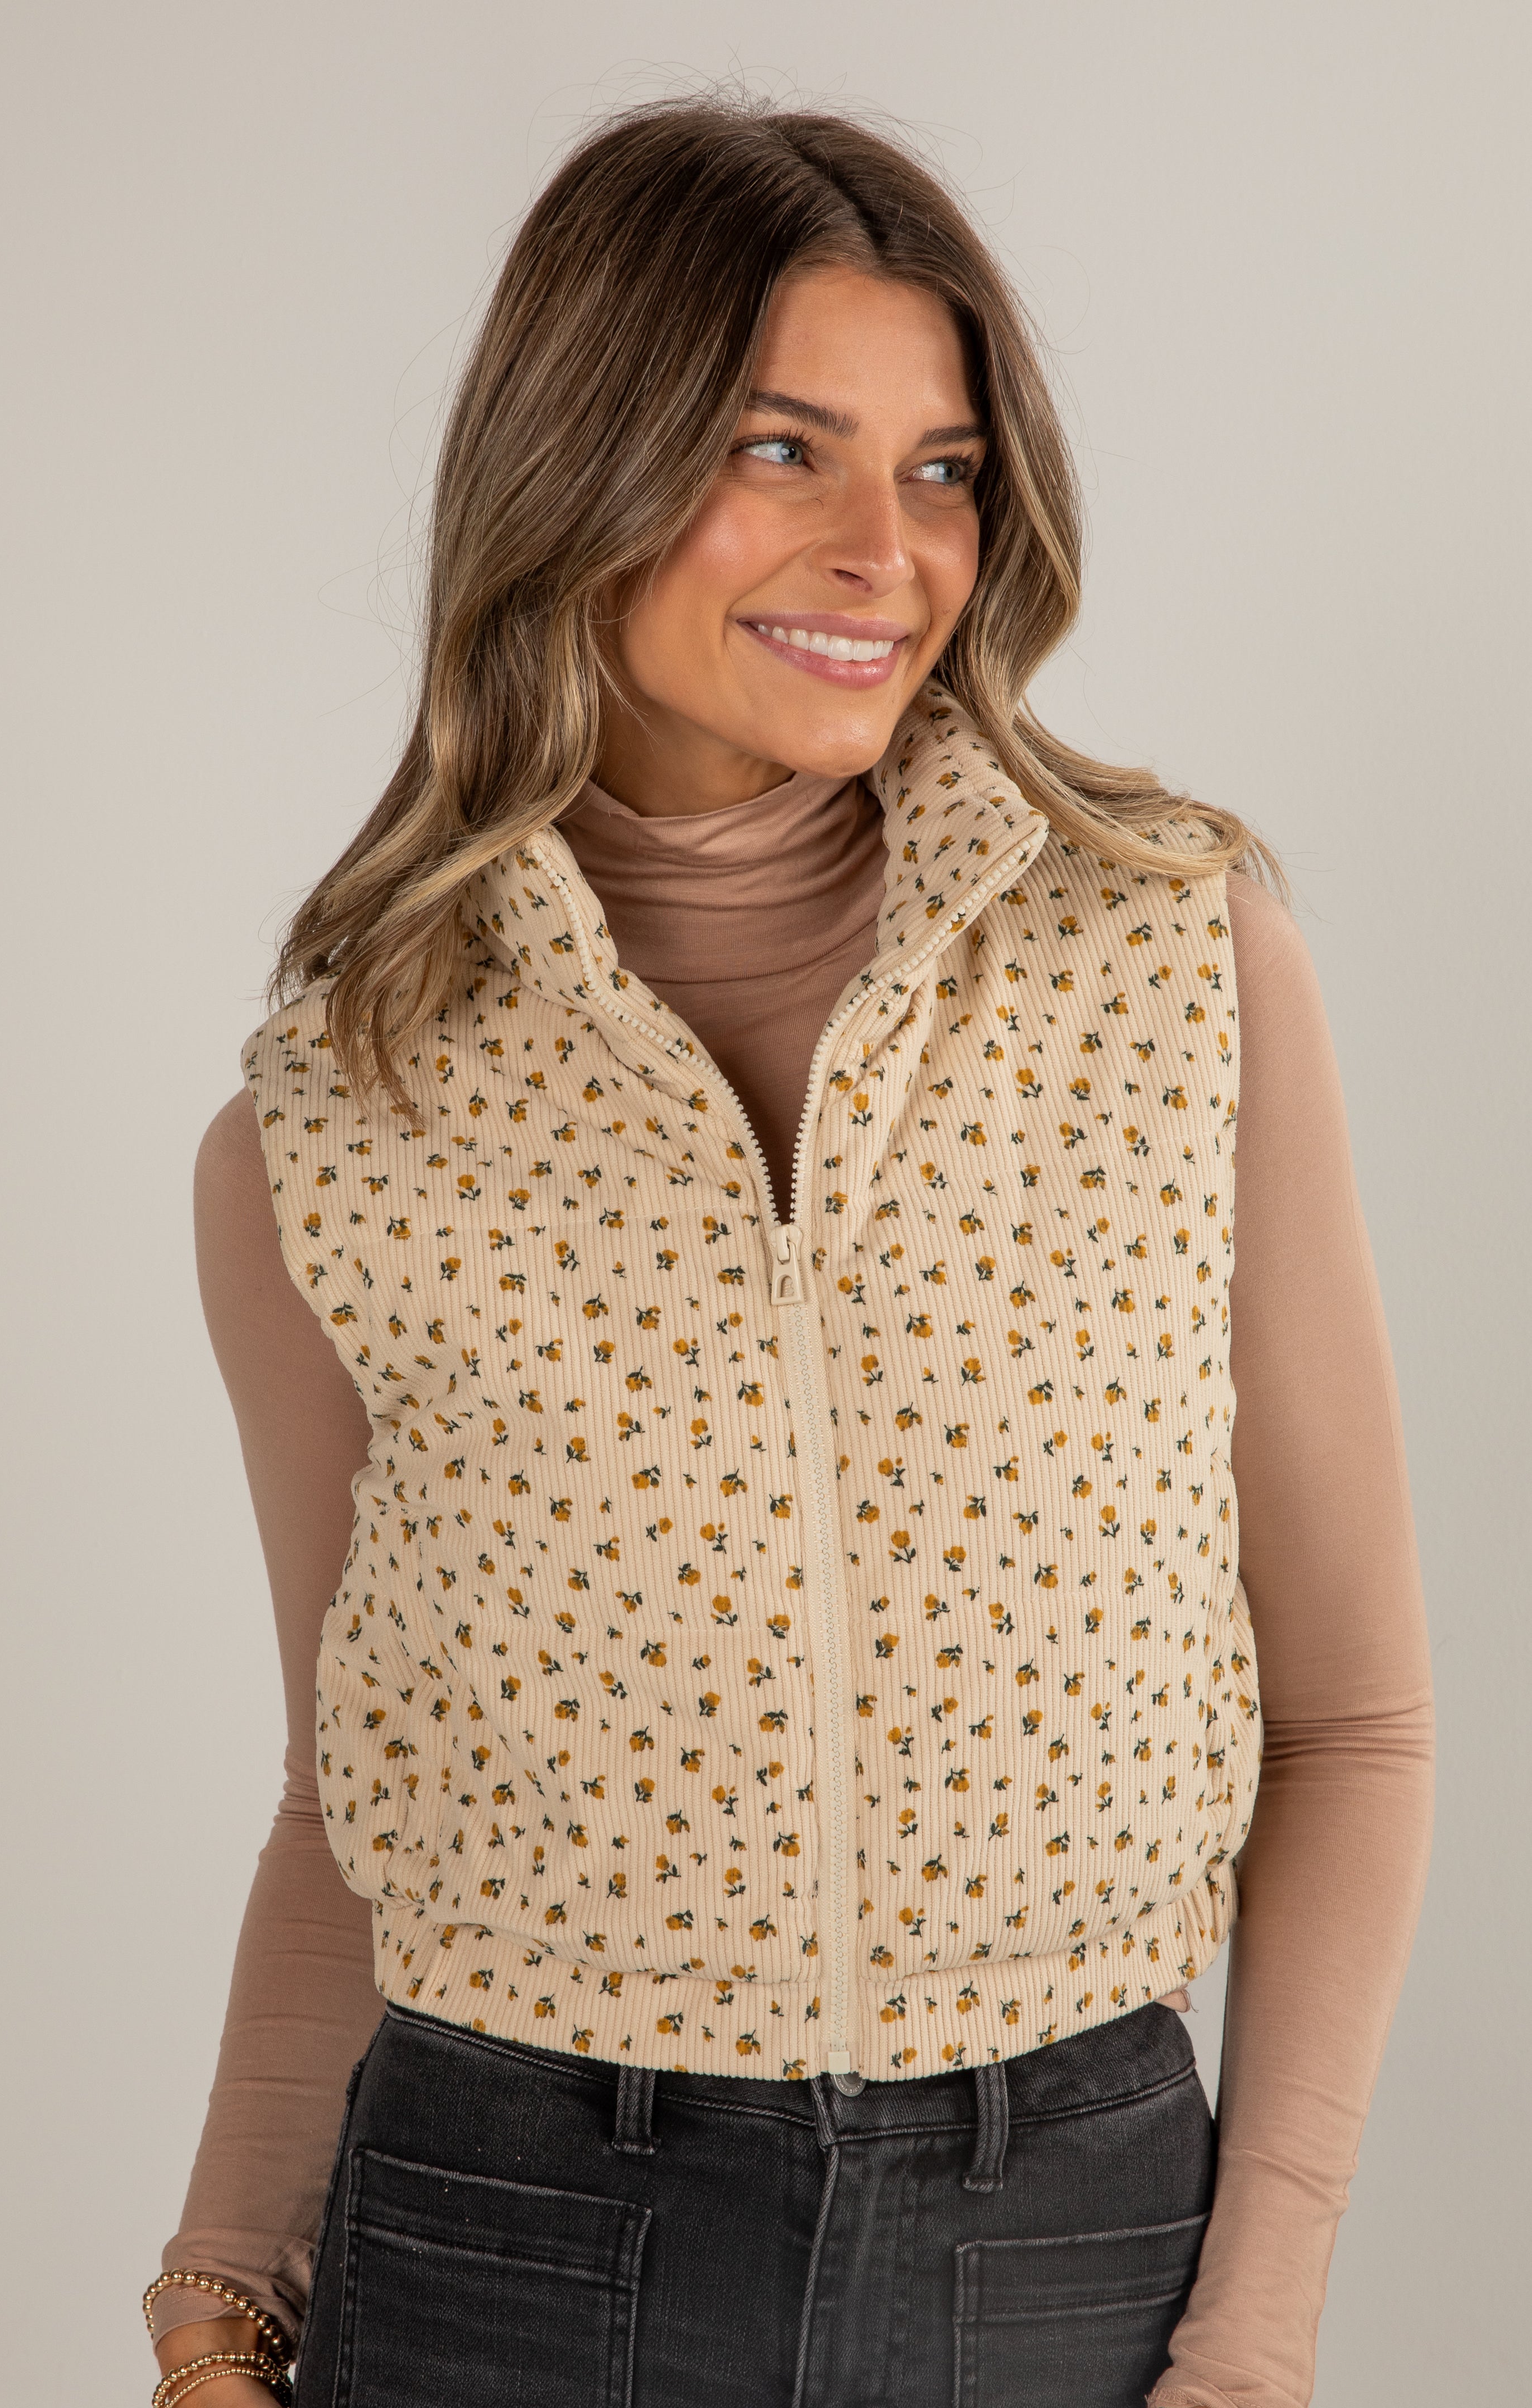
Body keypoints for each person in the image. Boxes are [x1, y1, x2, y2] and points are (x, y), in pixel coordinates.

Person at [146, 98, 1434, 2408]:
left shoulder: (1173, 971)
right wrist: (224, 2286)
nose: (888, 548)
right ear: (581, 458)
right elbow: (355, 1801)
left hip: (1072, 2231)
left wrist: (1255, 2329)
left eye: (941, 468)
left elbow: (1354, 1720)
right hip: (501, 2237)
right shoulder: (334, 1123)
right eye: (781, 449)